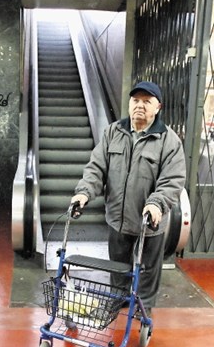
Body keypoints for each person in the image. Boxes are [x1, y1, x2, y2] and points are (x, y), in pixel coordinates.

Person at [70, 81, 186, 315]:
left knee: (147, 269)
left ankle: (144, 308)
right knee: (118, 266)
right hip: (118, 218)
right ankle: (118, 298)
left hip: (149, 222)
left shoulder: (169, 140)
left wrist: (156, 204)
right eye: (135, 101)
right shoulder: (114, 132)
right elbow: (97, 167)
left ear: (158, 107)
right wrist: (84, 192)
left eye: (147, 102)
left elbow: (172, 180)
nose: (140, 106)